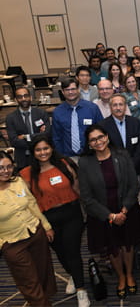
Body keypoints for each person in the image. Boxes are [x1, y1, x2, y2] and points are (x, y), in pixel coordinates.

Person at [20, 136, 90, 306]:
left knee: (72, 251)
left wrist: (88, 211)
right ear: (33, 153)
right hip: (48, 219)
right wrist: (43, 225)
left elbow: (77, 187)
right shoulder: (26, 174)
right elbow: (30, 203)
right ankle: (73, 275)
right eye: (38, 150)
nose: (43, 152)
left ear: (51, 148)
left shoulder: (64, 164)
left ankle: (81, 290)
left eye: (46, 148)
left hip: (71, 213)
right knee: (61, 252)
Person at [79, 125, 140, 299]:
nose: (98, 141)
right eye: (93, 140)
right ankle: (121, 277)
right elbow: (86, 197)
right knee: (112, 247)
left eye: (100, 137)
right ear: (89, 144)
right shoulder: (85, 163)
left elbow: (133, 184)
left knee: (127, 244)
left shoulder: (122, 155)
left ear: (107, 137)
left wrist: (123, 211)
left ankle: (129, 274)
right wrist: (111, 216)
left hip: (126, 209)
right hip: (103, 213)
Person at [0, 151, 56, 306]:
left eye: (9, 166)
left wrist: (46, 226)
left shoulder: (18, 181)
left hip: (35, 233)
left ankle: (44, 299)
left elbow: (32, 204)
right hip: (12, 242)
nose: (6, 171)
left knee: (43, 272)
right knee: (28, 281)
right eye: (1, 168)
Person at [52, 78, 103, 158]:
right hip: (68, 157)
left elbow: (101, 132)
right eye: (67, 90)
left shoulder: (92, 108)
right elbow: (56, 138)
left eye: (73, 89)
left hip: (91, 155)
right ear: (62, 92)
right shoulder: (58, 112)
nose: (70, 92)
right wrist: (61, 157)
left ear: (78, 90)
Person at [99, 94, 140, 176]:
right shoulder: (103, 126)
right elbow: (104, 149)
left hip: (135, 168)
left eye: (121, 104)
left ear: (125, 106)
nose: (118, 108)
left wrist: (132, 164)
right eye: (115, 105)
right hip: (113, 170)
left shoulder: (135, 122)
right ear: (110, 107)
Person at [7, 86, 51, 170]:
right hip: (23, 158)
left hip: (43, 157)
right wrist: (38, 136)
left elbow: (47, 135)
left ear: (30, 97)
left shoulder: (41, 113)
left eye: (26, 96)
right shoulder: (10, 118)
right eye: (20, 97)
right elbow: (14, 141)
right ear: (16, 100)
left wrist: (25, 137)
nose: (23, 99)